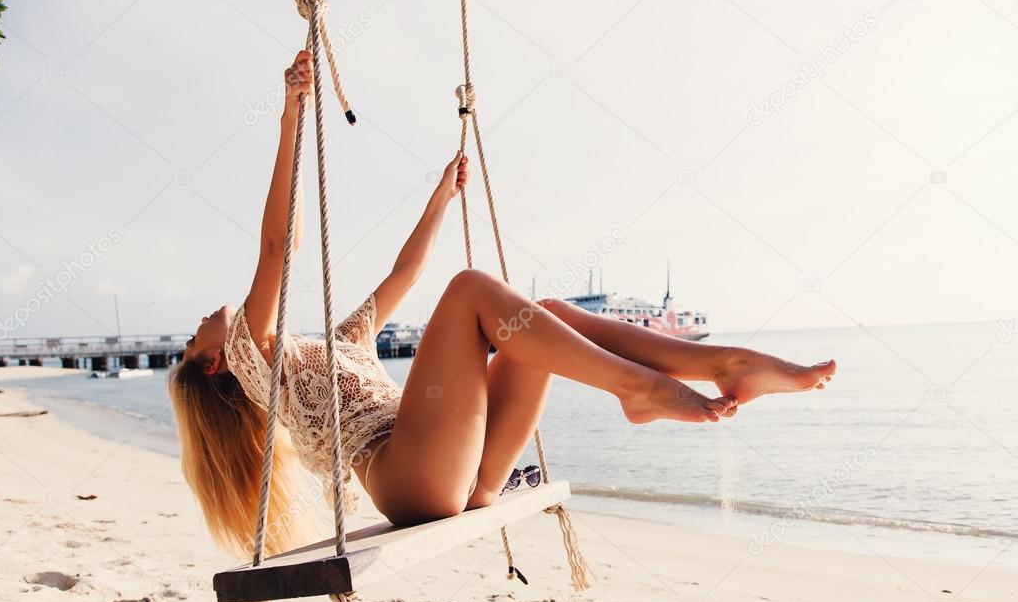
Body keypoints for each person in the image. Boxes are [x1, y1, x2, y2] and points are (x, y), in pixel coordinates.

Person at [169, 51, 836, 557]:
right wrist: (291, 117)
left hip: (462, 471)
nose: (202, 319)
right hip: (410, 478)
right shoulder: (252, 359)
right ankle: (637, 388)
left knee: (540, 313)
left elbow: (404, 273)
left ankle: (722, 364)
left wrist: (439, 197)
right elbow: (276, 246)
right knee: (469, 293)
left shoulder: (334, 347)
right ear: (212, 365)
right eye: (195, 336)